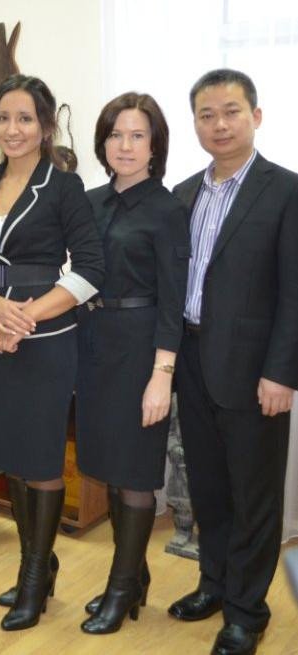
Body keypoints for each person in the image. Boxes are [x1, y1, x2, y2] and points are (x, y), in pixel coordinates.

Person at [0, 74, 104, 632]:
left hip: (45, 340)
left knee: (42, 460)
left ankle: (33, 575)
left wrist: (26, 315)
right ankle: (36, 569)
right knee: (6, 455)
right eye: (3, 118)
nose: (12, 129)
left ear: (45, 126)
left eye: (25, 119)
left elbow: (91, 268)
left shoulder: (64, 186)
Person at [167, 69, 297, 655]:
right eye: (206, 114)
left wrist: (283, 372)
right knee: (211, 489)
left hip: (254, 372)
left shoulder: (286, 190)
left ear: (256, 116)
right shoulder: (185, 193)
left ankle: (248, 610)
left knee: (255, 496)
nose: (219, 124)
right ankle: (214, 586)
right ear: (194, 122)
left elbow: (296, 292)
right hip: (192, 360)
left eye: (231, 111)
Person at [74, 92, 189, 634]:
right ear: (103, 141)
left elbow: (175, 301)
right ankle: (134, 576)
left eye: (137, 135)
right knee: (110, 470)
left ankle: (121, 590)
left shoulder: (167, 211)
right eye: (116, 134)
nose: (125, 144)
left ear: (155, 145)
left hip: (141, 349)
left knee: (136, 473)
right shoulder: (91, 201)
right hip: (93, 344)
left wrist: (161, 376)